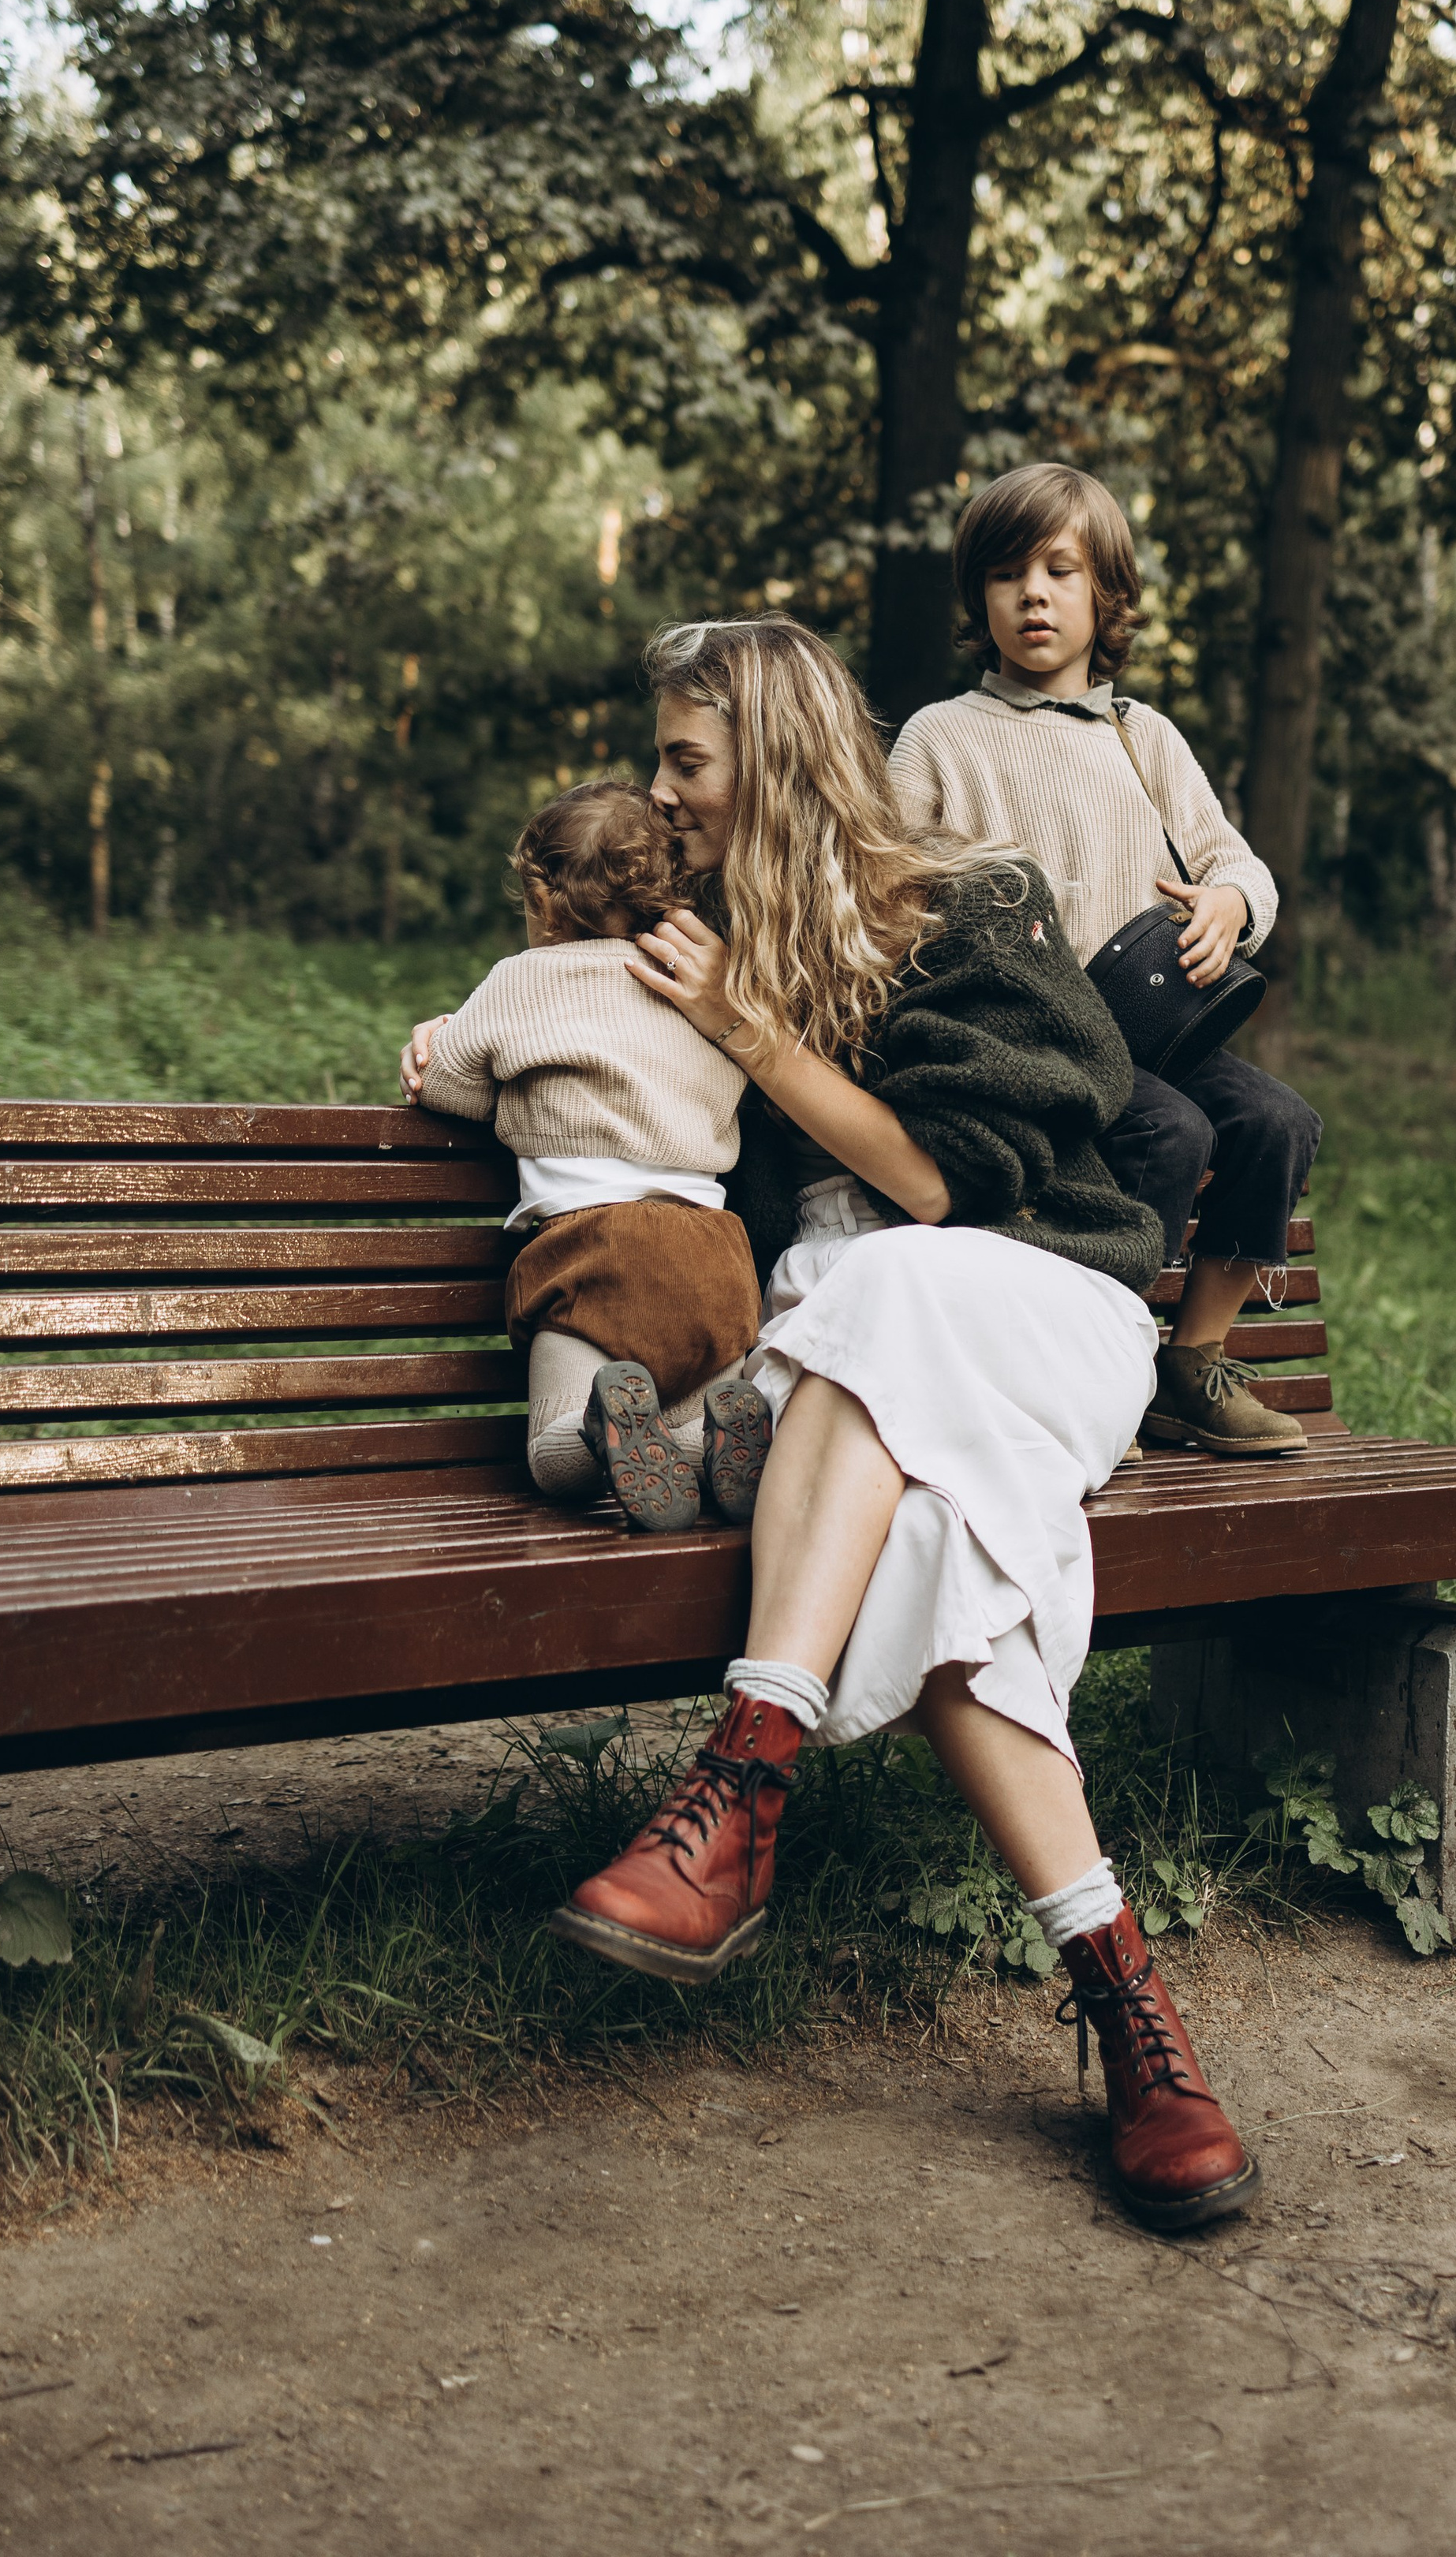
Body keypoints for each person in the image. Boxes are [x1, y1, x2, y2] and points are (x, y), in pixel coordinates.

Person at [520, 614, 1260, 2234]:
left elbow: (939, 1189)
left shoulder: (963, 909)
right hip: (859, 1384)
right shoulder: (713, 936)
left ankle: (742, 1770)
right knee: (936, 1554)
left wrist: (749, 1033)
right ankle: (1126, 2001)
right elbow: (570, 1050)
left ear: (772, 759)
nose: (663, 791)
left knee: (889, 1281)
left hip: (1036, 1312)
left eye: (685, 760)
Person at [889, 462, 1321, 1464]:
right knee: (1170, 1132)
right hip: (1026, 1043)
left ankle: (1188, 1366)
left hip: (1144, 1026)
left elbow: (1238, 864)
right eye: (1005, 574)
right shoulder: (941, 739)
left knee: (1274, 1120)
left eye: (1060, 570)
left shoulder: (1143, 738)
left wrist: (1229, 905)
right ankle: (1081, 1379)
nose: (1032, 593)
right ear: (977, 599)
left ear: (1107, 596)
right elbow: (885, 889)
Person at [398, 780, 771, 1531]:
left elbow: (453, 1089)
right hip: (717, 1262)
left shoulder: (522, 980)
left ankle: (606, 1421)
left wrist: (442, 1034)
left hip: (596, 1255)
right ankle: (720, 1434)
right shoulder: (701, 983)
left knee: (556, 1454)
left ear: (542, 899)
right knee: (699, 1416)